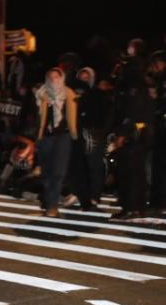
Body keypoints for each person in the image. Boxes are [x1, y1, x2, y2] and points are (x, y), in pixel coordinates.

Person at [108, 57, 155, 220]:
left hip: (133, 134)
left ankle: (130, 208)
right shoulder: (141, 85)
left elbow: (132, 114)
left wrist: (122, 134)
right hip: (140, 134)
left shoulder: (133, 87)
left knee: (128, 173)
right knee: (137, 172)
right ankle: (138, 207)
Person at [67, 68, 113, 211]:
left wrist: (103, 132)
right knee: (77, 164)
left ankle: (94, 195)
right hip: (76, 132)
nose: (84, 80)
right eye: (81, 77)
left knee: (94, 165)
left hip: (93, 132)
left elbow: (108, 115)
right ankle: (78, 192)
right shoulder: (70, 93)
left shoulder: (99, 95)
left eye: (87, 78)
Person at [35, 68, 78, 217]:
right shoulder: (40, 94)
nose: (54, 80)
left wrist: (76, 136)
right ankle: (48, 201)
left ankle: (52, 206)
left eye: (57, 77)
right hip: (45, 137)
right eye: (51, 77)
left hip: (63, 137)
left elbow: (75, 117)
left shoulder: (69, 94)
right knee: (46, 172)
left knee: (59, 172)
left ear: (62, 78)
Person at [148, 51, 166, 213]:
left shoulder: (162, 79)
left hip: (163, 123)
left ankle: (160, 202)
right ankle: (158, 202)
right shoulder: (159, 79)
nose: (154, 67)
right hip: (160, 123)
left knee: (160, 165)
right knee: (158, 165)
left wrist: (157, 98)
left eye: (156, 64)